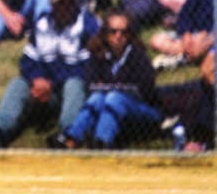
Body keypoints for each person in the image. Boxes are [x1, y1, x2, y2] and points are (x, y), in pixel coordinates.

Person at [0, 0, 97, 150]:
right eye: (62, 3)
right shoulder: (42, 24)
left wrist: (52, 83)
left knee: (74, 83)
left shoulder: (87, 24)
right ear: (53, 5)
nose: (67, 7)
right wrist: (37, 80)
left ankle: (68, 136)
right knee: (18, 84)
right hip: (45, 91)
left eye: (71, 2)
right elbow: (28, 61)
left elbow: (88, 67)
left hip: (75, 92)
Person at [51, 9, 159, 149]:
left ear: (130, 34)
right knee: (97, 99)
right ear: (105, 33)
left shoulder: (138, 57)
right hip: (111, 109)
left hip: (142, 113)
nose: (118, 36)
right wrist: (119, 87)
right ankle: (72, 138)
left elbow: (145, 90)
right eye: (113, 31)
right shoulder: (98, 56)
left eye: (123, 32)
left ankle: (101, 142)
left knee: (114, 97)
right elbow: (90, 85)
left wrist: (111, 88)